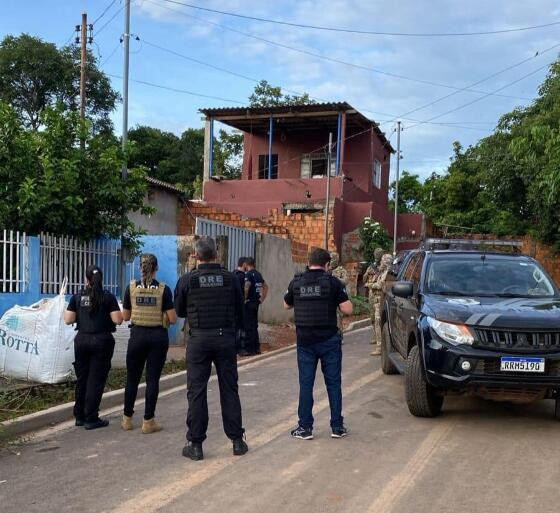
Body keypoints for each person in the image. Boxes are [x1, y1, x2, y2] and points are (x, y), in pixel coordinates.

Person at [174, 237, 248, 461]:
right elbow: (240, 310)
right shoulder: (231, 278)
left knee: (196, 391)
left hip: (199, 340)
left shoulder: (187, 280)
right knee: (229, 388)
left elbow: (179, 311)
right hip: (225, 338)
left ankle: (195, 445)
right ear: (217, 254)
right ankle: (237, 441)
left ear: (196, 256)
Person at [284, 248, 353, 440]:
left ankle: (305, 428)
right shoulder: (333, 283)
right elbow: (347, 309)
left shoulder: (296, 282)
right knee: (333, 383)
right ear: (327, 265)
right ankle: (337, 427)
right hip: (329, 340)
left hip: (305, 342)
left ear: (308, 262)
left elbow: (286, 304)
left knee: (306, 384)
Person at [121, 254, 177, 434]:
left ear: (140, 268)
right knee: (152, 380)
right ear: (157, 268)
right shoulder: (164, 290)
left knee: (132, 379)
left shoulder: (131, 288)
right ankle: (148, 421)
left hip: (137, 336)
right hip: (157, 337)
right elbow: (173, 319)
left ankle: (127, 419)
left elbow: (126, 317)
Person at [64, 265, 123, 430]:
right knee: (95, 380)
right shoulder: (108, 297)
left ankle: (80, 416)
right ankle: (91, 417)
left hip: (81, 340)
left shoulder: (77, 297)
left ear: (86, 280)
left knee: (82, 378)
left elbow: (68, 319)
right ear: (101, 279)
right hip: (101, 341)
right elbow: (118, 320)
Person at [241, 257, 268, 356]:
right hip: (256, 303)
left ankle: (250, 350)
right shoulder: (258, 274)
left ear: (246, 265)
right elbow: (266, 287)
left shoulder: (248, 274)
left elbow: (247, 287)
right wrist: (262, 299)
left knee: (249, 326)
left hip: (249, 303)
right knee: (254, 326)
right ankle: (257, 348)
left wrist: (244, 298)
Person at [370, 253, 393, 356]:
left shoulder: (388, 273)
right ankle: (380, 346)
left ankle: (380, 347)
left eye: (383, 261)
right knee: (378, 323)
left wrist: (373, 285)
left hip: (382, 301)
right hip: (378, 301)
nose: (381, 263)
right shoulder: (382, 272)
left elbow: (381, 286)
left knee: (379, 323)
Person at [363, 248, 384, 345]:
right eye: (377, 253)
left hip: (380, 293)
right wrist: (367, 275)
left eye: (380, 253)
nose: (379, 255)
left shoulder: (384, 267)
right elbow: (364, 279)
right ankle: (376, 335)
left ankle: (381, 338)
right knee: (372, 315)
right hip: (371, 293)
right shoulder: (371, 267)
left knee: (378, 317)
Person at [330, 252, 349, 344]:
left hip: (338, 298)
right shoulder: (326, 270)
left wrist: (335, 279)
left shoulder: (341, 270)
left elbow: (346, 281)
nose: (331, 262)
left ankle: (339, 337)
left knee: (338, 318)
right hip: (328, 298)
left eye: (332, 259)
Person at [233, 257, 247, 354]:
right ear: (244, 264)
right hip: (240, 305)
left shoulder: (232, 274)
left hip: (232, 305)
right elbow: (245, 290)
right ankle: (241, 348)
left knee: (234, 327)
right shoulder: (242, 276)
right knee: (241, 327)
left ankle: (234, 347)